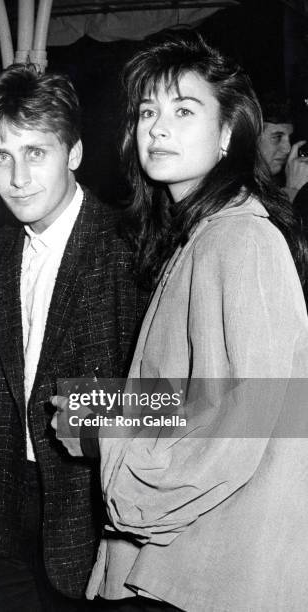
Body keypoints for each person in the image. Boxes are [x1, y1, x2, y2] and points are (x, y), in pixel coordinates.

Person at [53, 34, 308, 611]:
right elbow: (202, 397)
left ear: (226, 137)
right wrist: (92, 409)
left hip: (217, 567)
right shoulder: (206, 233)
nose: (158, 128)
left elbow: (252, 418)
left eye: (183, 111)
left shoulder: (240, 239)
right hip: (194, 560)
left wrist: (124, 464)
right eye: (148, 112)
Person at [0, 65, 147, 612]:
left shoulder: (129, 250)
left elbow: (174, 402)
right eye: (2, 156)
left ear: (74, 153)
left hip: (97, 516)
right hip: (5, 513)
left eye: (35, 152)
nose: (17, 177)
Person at [258, 93, 308, 203]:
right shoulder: (235, 187)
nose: (288, 149)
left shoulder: (272, 183)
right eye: (277, 137)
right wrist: (293, 189)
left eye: (289, 138)